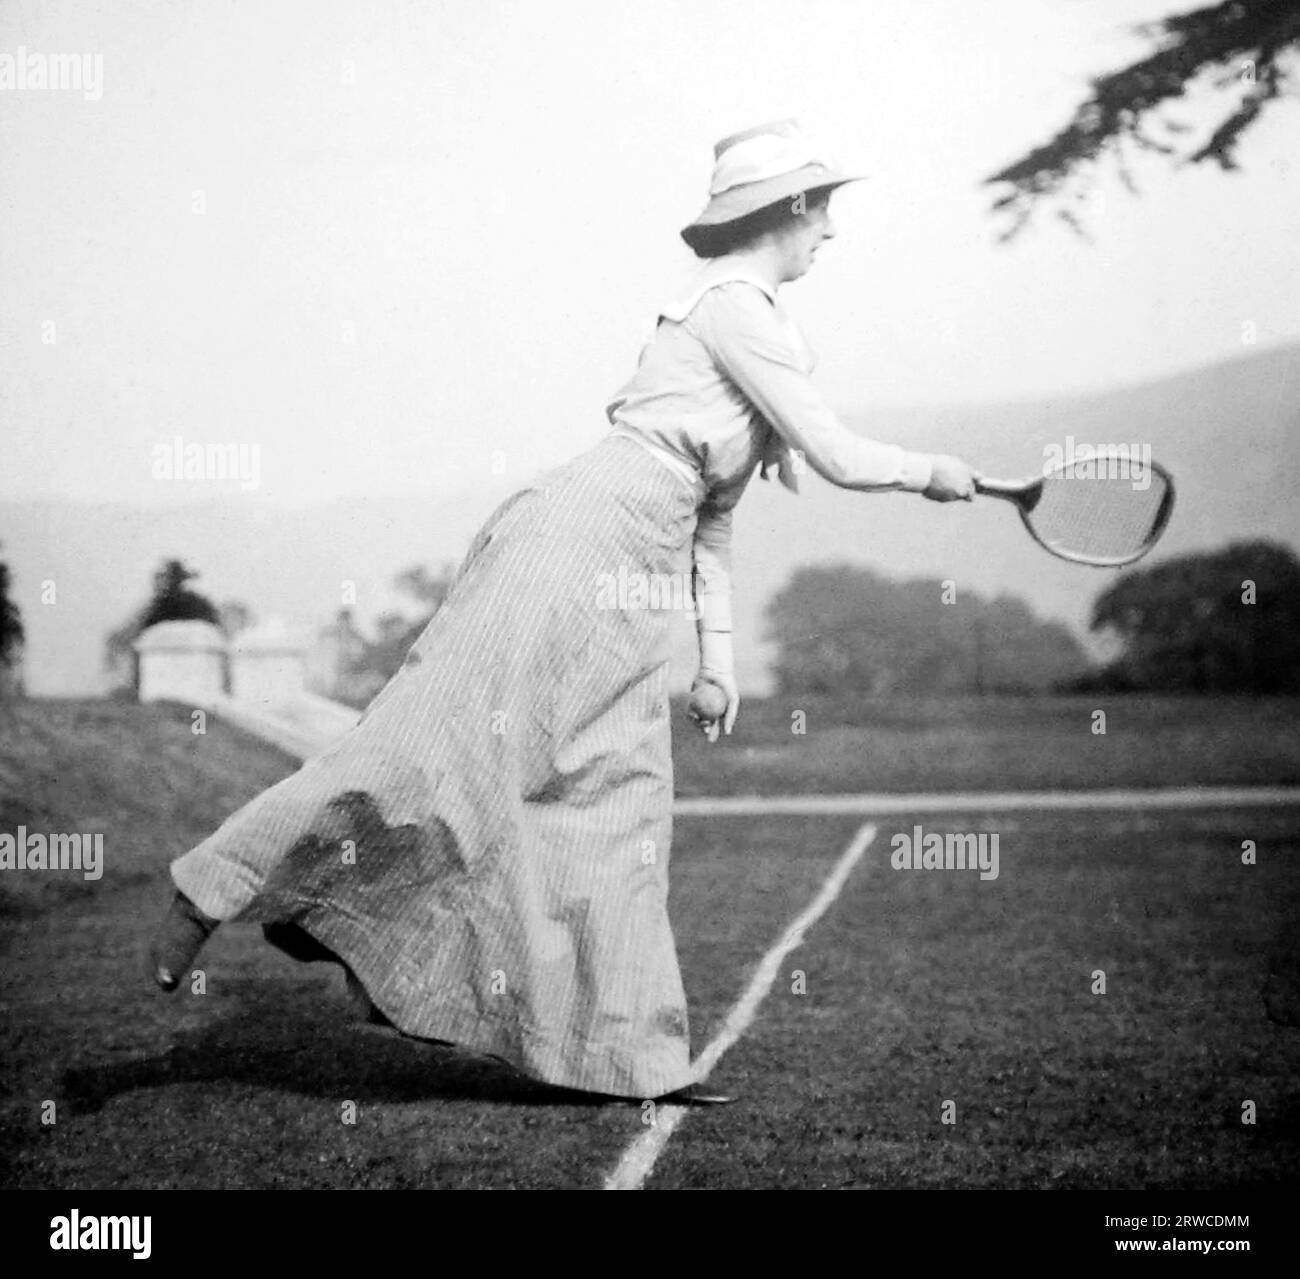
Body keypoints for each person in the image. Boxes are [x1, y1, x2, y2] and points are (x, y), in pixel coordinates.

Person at [148, 118, 979, 1105]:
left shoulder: (762, 332)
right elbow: (837, 455)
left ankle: (625, 1061)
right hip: (576, 538)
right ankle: (212, 880)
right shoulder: (733, 311)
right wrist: (930, 473)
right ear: (788, 210)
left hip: (642, 570)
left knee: (614, 808)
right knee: (432, 751)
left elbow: (711, 522)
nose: (831, 233)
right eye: (824, 209)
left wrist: (717, 664)